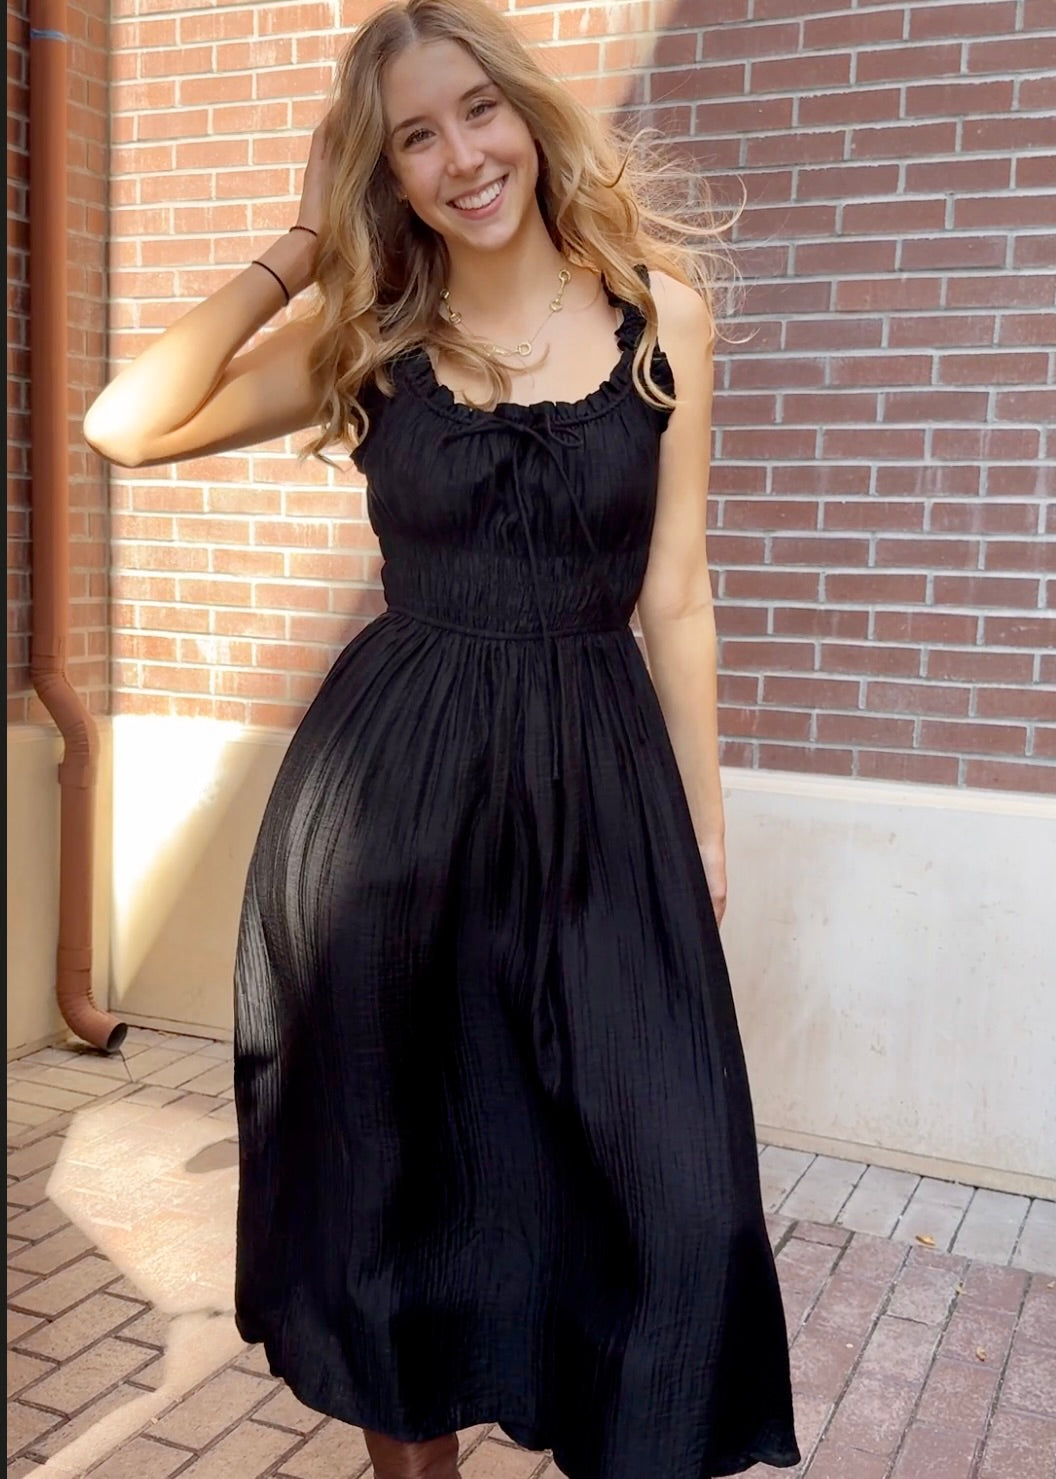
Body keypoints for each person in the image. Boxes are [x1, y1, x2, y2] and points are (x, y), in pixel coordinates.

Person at [84, 0, 801, 1474]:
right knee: (394, 1211)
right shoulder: (371, 337)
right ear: (386, 172)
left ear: (526, 113)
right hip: (388, 814)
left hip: (601, 801)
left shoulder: (661, 314)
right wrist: (295, 249)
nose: (462, 156)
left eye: (477, 111)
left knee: (669, 1200)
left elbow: (676, 595)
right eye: (414, 136)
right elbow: (124, 425)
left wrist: (705, 828)